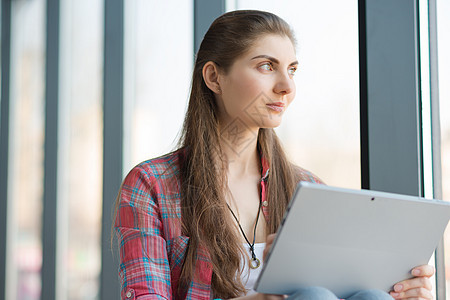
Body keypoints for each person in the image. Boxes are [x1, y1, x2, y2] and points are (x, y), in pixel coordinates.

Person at [113, 10, 434, 300]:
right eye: (266, 66)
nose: (286, 87)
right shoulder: (152, 186)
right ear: (214, 77)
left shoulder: (309, 190)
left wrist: (402, 290)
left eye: (292, 69)